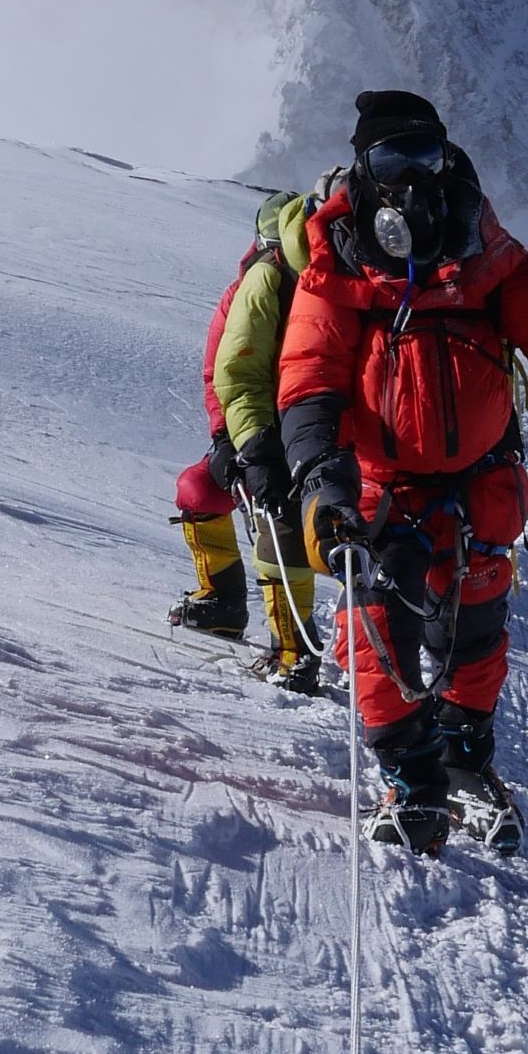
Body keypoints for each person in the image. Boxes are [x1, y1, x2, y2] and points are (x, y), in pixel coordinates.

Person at [278, 91, 528, 854]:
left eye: (426, 158)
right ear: (363, 172)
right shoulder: (336, 265)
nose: (411, 179)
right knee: (378, 627)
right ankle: (411, 774)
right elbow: (309, 380)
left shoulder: (489, 253)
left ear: (447, 161)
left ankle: (465, 754)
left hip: (477, 485)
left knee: (477, 635)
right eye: (390, 162)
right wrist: (322, 481)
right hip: (381, 487)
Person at [169, 190, 325, 692]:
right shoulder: (247, 294)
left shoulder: (314, 289)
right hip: (259, 426)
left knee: (278, 525)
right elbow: (221, 373)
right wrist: (226, 440)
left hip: (312, 427)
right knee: (200, 488)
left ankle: (294, 648)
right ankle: (224, 604)